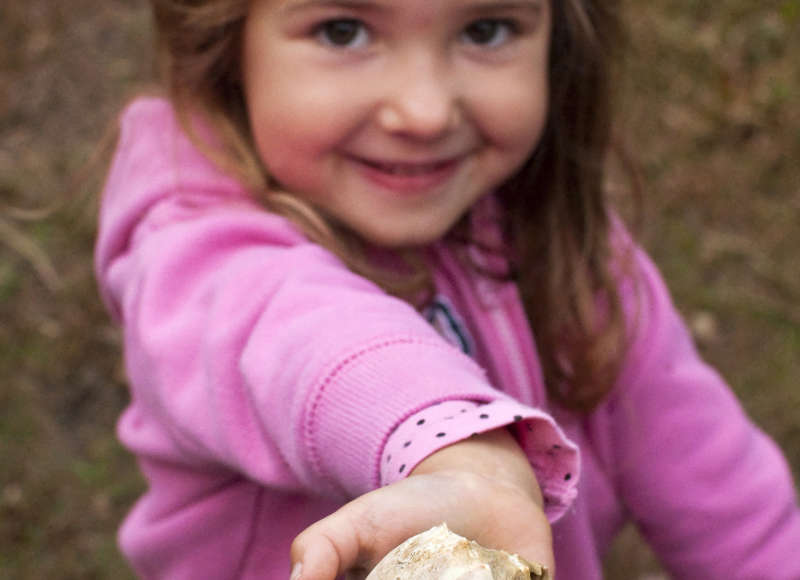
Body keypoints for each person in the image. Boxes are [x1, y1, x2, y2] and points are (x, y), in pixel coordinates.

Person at [94, 0, 800, 577]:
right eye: (344, 31)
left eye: (485, 29)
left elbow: (727, 500)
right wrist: (462, 455)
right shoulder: (195, 255)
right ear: (222, 42)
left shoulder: (562, 240)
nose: (426, 111)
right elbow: (302, 339)